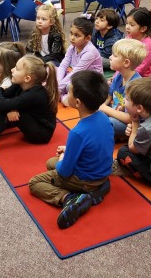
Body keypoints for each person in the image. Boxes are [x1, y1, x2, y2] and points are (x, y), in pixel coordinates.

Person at [28, 71, 114, 229]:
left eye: (70, 91)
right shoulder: (103, 117)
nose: (68, 93)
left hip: (85, 179)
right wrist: (69, 149)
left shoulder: (77, 132)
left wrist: (63, 158)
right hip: (102, 172)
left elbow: (65, 172)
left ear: (78, 102)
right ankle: (99, 188)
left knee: (35, 183)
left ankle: (70, 198)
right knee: (50, 162)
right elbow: (96, 145)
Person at [99, 38, 146, 139]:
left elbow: (130, 118)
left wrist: (104, 108)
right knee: (93, 114)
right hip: (116, 113)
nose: (110, 57)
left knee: (107, 122)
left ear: (126, 63)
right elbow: (109, 97)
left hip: (131, 124)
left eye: (114, 55)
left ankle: (122, 136)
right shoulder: (119, 76)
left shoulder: (135, 86)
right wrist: (100, 106)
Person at [57, 16, 103, 104]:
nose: (72, 38)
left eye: (77, 35)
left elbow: (76, 72)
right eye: (71, 33)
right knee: (51, 70)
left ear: (87, 38)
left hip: (91, 83)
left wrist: (57, 89)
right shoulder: (72, 47)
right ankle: (65, 96)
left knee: (70, 86)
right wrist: (58, 82)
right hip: (79, 77)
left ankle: (65, 97)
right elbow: (63, 65)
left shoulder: (90, 52)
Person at [125, 7, 151, 77]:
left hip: (145, 79)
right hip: (129, 72)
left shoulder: (148, 45)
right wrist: (116, 77)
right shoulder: (129, 37)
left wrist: (124, 77)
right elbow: (122, 58)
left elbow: (141, 68)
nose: (127, 27)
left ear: (143, 28)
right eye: (127, 23)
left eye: (132, 25)